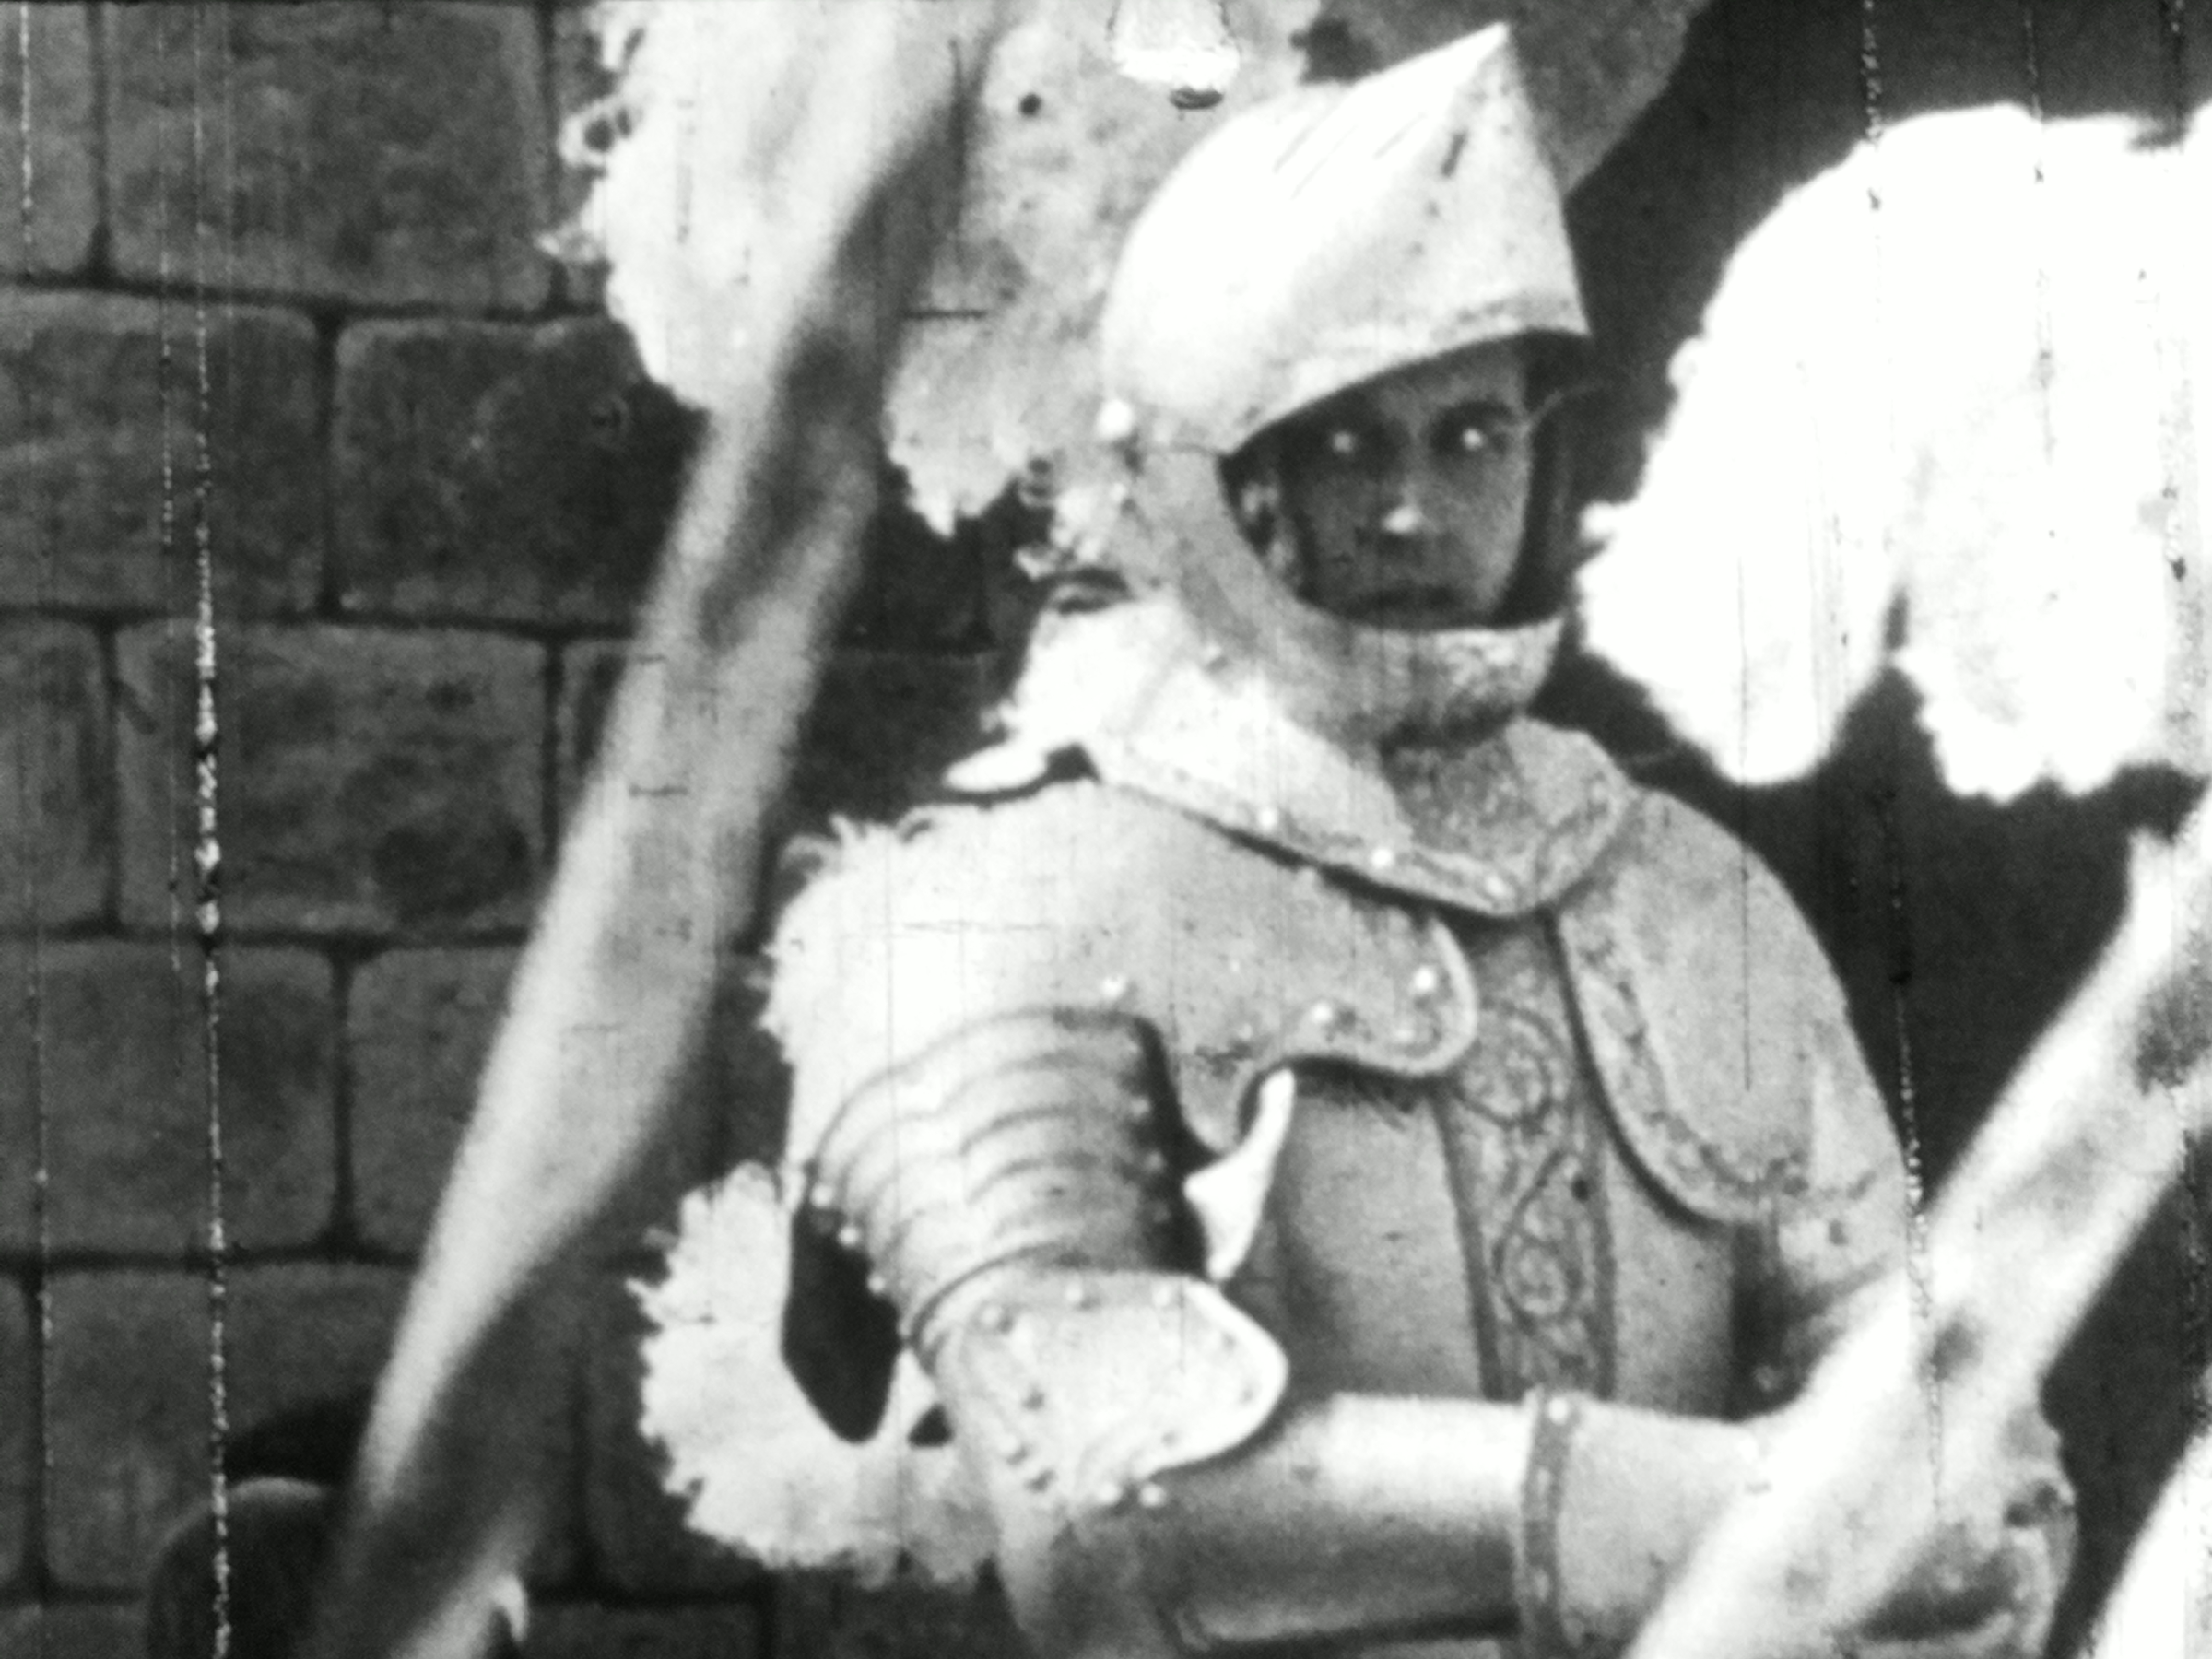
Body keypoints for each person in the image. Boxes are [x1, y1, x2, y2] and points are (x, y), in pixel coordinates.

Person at [756, 26, 2080, 1659]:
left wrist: (1981, 1509)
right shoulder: (1004, 902)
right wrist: (1756, 1512)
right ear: (1214, 471)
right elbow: (1106, 1510)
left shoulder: (1682, 888)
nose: (1413, 509)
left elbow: (1922, 1385)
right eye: (1344, 445)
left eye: (1469, 437)